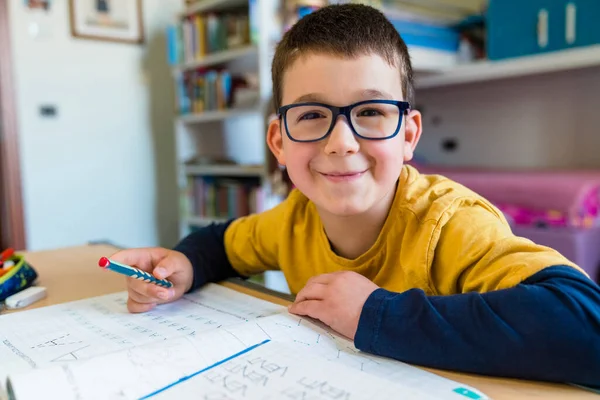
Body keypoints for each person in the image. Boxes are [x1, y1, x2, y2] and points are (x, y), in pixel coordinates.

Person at [111, 4, 600, 387]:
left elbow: (583, 323)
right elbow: (222, 243)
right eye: (310, 115)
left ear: (408, 135)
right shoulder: (293, 219)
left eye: (370, 112)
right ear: (279, 142)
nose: (341, 141)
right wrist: (184, 266)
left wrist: (376, 314)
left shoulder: (448, 224)